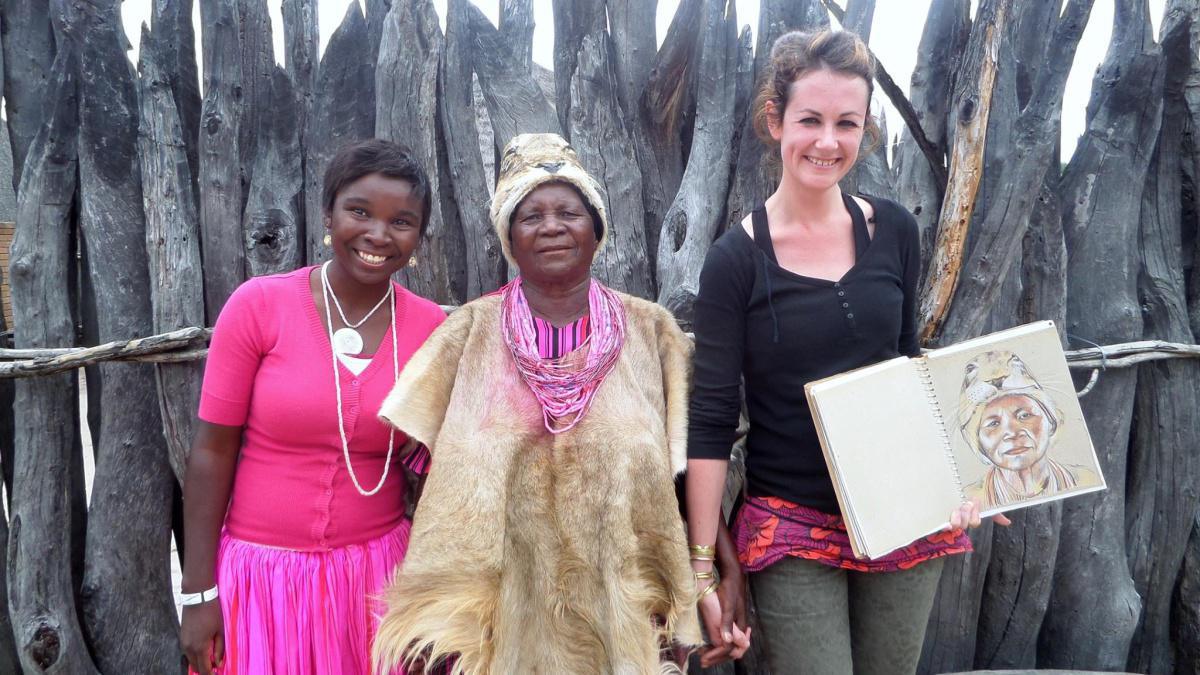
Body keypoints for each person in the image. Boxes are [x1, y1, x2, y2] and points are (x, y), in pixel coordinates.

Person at [684, 30, 1006, 675]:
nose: (828, 142)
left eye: (847, 123)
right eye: (810, 120)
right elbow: (713, 419)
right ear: (775, 120)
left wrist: (969, 475)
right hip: (792, 520)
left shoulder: (896, 230)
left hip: (907, 509)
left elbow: (910, 370)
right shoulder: (733, 261)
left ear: (864, 130)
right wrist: (700, 569)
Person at [370, 133, 746, 674]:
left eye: (569, 212)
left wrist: (721, 570)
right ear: (510, 238)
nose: (551, 227)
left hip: (625, 608)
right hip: (500, 618)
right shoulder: (466, 336)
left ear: (596, 230)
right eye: (531, 216)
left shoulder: (652, 334)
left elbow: (688, 466)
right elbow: (431, 479)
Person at [179, 139, 448, 674]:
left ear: (418, 237)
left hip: (377, 585)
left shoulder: (429, 328)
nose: (378, 234)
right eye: (359, 211)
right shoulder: (260, 306)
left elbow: (441, 466)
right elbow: (211, 452)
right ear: (328, 215)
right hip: (261, 582)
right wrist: (198, 593)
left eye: (401, 221)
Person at [958, 350, 1096, 509]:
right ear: (978, 441)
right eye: (993, 424)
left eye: (1025, 416)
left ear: (1051, 422)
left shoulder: (1087, 480)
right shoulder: (967, 502)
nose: (1012, 433)